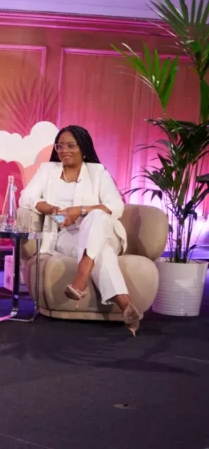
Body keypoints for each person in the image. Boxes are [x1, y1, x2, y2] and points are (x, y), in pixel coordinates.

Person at [19, 125, 141, 335]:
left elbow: (116, 206)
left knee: (97, 216)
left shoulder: (97, 172)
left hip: (104, 231)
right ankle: (125, 304)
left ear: (83, 148)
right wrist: (51, 209)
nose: (64, 150)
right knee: (101, 251)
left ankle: (81, 278)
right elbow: (26, 197)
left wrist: (80, 210)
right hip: (66, 236)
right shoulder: (48, 170)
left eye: (70, 145)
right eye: (60, 146)